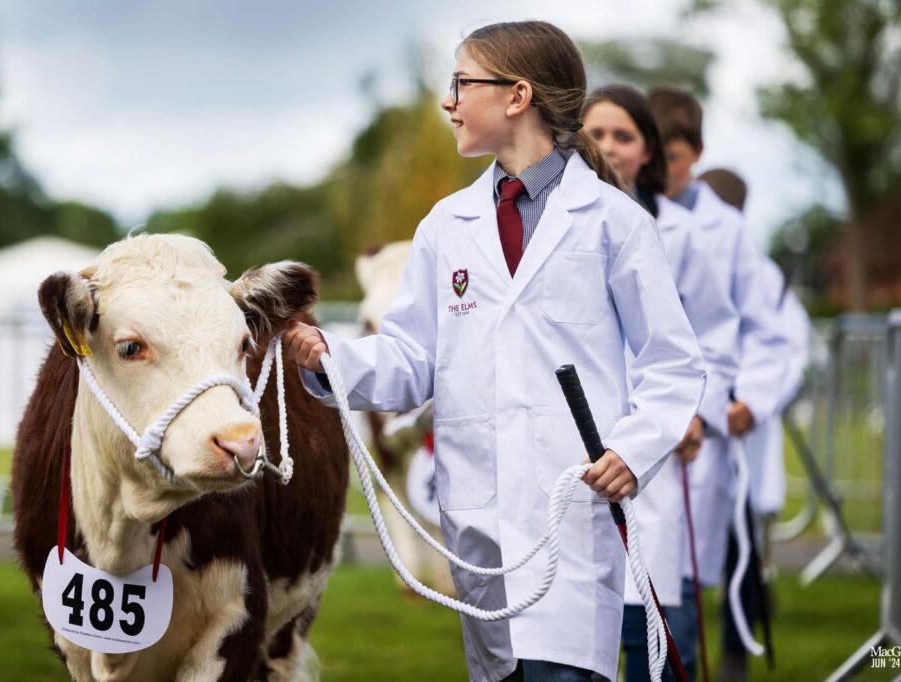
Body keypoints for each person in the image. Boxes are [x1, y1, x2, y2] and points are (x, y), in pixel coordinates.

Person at [285, 21, 706, 682]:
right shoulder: (445, 227)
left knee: (561, 672)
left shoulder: (612, 222)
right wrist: (329, 358)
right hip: (477, 518)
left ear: (517, 96)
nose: (448, 102)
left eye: (461, 84)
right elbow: (409, 358)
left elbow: (673, 362)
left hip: (571, 514)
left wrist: (634, 450)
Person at [583, 85, 740, 681]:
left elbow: (715, 338)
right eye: (596, 133)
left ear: (649, 150)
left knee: (656, 642)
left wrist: (695, 411)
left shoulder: (680, 234)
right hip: (578, 453)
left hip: (658, 459)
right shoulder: (548, 228)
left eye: (624, 136)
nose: (609, 147)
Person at [648, 87, 792, 681]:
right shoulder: (621, 214)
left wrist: (747, 400)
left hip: (699, 437)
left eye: (673, 157)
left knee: (679, 600)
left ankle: (731, 660)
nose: (662, 169)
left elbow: (767, 331)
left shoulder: (725, 231)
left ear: (696, 153)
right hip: (633, 433)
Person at [699, 168, 811, 681]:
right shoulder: (681, 258)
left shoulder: (762, 275)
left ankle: (735, 655)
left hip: (742, 434)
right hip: (692, 430)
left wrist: (754, 401)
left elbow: (791, 350)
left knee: (740, 545)